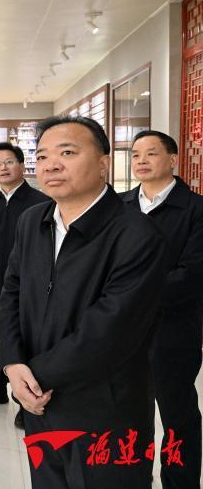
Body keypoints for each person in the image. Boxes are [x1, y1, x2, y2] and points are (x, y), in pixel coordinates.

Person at [0, 116, 166, 488]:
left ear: (104, 162)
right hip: (39, 406)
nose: (51, 165)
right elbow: (11, 293)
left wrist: (33, 378)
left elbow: (109, 331)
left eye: (67, 153)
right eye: (42, 157)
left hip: (104, 413)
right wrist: (11, 363)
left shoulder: (137, 234)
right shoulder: (32, 221)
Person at [121, 130, 203, 489]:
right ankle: (132, 476)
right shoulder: (119, 206)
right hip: (120, 330)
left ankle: (180, 482)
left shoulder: (196, 209)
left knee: (176, 415)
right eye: (135, 154)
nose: (141, 160)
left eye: (151, 153)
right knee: (126, 413)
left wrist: (132, 294)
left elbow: (193, 272)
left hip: (172, 330)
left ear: (172, 159)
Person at [0, 143, 49, 429]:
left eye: (9, 162)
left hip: (28, 286)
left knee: (26, 341)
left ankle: (24, 398)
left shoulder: (40, 202)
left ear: (22, 165)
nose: (3, 168)